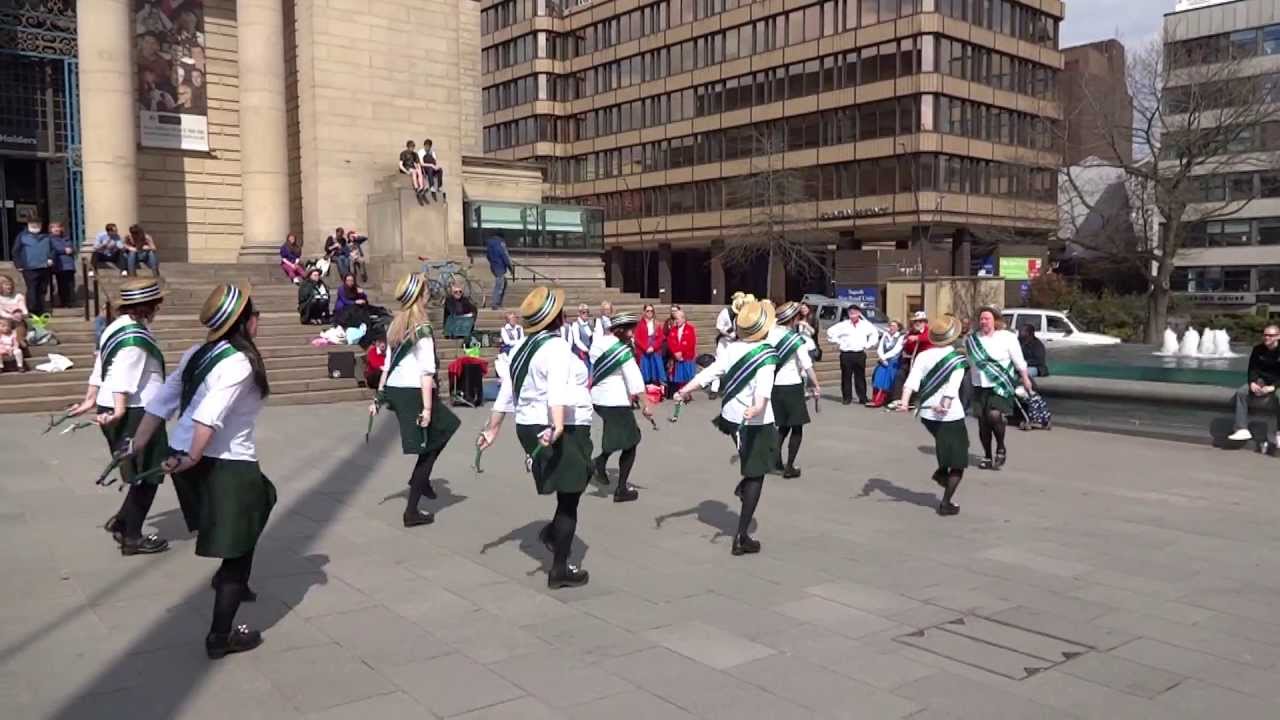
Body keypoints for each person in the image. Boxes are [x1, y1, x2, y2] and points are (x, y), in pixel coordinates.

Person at [129, 283, 276, 659]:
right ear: (244, 322)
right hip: (221, 462)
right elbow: (210, 414)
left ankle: (232, 581)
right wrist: (192, 457)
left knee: (265, 497)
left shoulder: (198, 352)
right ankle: (220, 636)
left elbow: (160, 402)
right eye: (254, 313)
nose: (258, 318)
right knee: (237, 549)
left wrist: (138, 444)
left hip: (192, 457)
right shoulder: (239, 361)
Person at [477, 286, 593, 589]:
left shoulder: (521, 348)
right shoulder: (555, 348)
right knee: (570, 496)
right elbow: (555, 389)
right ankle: (559, 570)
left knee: (571, 487)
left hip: (527, 425)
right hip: (553, 426)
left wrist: (493, 427)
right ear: (559, 319)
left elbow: (506, 391)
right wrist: (556, 426)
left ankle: (553, 533)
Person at [675, 299, 778, 557]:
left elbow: (711, 372)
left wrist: (684, 389)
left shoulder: (731, 349)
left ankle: (744, 487)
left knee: (751, 462)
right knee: (757, 473)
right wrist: (756, 408)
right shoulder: (766, 354)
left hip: (731, 417)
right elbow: (763, 391)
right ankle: (741, 536)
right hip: (754, 420)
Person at [82, 278, 171, 555]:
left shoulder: (115, 327)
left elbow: (101, 364)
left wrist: (90, 397)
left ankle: (123, 522)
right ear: (150, 306)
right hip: (137, 412)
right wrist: (119, 410)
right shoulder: (134, 338)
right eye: (157, 304)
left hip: (121, 407)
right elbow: (122, 376)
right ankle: (131, 536)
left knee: (137, 470)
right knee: (149, 472)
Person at [371, 273, 461, 527]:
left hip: (397, 390)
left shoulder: (396, 324)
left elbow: (387, 365)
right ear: (420, 297)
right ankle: (413, 505)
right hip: (414, 391)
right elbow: (426, 371)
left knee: (438, 436)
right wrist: (428, 409)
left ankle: (421, 482)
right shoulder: (421, 328)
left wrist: (379, 395)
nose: (429, 294)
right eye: (426, 291)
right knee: (435, 439)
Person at [899, 315, 970, 516]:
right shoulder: (957, 358)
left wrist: (904, 401)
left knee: (945, 444)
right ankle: (946, 502)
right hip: (949, 414)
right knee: (959, 459)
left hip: (927, 414)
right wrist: (945, 403)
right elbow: (954, 385)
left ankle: (941, 472)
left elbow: (912, 380)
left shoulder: (923, 356)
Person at [589, 312, 655, 502]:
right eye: (629, 331)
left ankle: (599, 463)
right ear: (620, 331)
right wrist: (646, 404)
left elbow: (594, 360)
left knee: (619, 436)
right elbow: (634, 378)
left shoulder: (598, 342)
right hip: (615, 400)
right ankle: (621, 489)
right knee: (631, 441)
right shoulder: (623, 351)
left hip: (598, 399)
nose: (632, 334)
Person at [966, 306, 1034, 470]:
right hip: (979, 385)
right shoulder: (972, 340)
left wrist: (1025, 378)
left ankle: (1001, 447)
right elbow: (969, 363)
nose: (983, 322)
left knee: (994, 416)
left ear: (995, 320)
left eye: (987, 318)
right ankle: (988, 456)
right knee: (983, 423)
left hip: (1000, 385)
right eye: (981, 319)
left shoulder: (1007, 337)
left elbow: (1018, 359)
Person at [767, 302, 820, 478]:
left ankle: (775, 462)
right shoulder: (795, 339)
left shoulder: (769, 335)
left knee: (782, 425)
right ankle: (789, 467)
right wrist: (815, 384)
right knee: (796, 427)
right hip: (792, 385)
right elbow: (807, 364)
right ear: (794, 318)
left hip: (775, 385)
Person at [1228, 325, 1280, 443]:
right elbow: (1253, 369)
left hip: (1277, 382)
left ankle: (1279, 432)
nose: (1267, 338)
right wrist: (1252, 382)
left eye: (1271, 335)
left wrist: (1273, 387)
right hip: (1262, 380)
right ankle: (1242, 429)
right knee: (1242, 392)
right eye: (1265, 335)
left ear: (1278, 336)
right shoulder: (1258, 349)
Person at [826, 305, 880, 405]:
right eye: (850, 312)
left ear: (859, 313)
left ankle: (862, 397)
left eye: (855, 312)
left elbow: (874, 334)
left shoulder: (866, 325)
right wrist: (838, 342)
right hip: (846, 354)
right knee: (846, 376)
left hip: (859, 353)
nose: (852, 314)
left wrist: (868, 345)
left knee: (860, 376)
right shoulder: (843, 324)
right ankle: (847, 398)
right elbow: (830, 332)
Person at [888, 312, 930, 410]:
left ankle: (916, 400)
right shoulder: (911, 332)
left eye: (920, 321)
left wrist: (917, 338)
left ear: (924, 322)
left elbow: (929, 338)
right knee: (900, 374)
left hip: (925, 361)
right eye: (915, 321)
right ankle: (897, 399)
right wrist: (907, 342)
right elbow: (908, 346)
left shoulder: (929, 331)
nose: (917, 323)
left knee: (920, 379)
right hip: (911, 359)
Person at [12, 220, 52, 316]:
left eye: (38, 223)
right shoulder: (22, 236)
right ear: (28, 224)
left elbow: (53, 249)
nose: (36, 225)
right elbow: (15, 251)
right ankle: (32, 309)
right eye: (33, 223)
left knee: (42, 289)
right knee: (32, 288)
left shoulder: (46, 237)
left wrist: (51, 258)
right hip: (29, 267)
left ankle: (41, 309)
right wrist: (19, 264)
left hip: (44, 266)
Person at [869, 320, 903, 408]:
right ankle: (876, 399)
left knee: (889, 378)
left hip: (894, 361)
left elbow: (896, 350)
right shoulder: (885, 335)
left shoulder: (901, 337)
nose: (892, 328)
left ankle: (887, 398)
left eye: (894, 326)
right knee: (878, 376)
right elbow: (880, 348)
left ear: (898, 327)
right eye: (891, 326)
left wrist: (884, 358)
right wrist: (881, 358)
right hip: (883, 360)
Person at [666, 306, 698, 399]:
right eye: (675, 319)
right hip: (677, 357)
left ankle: (687, 393)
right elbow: (671, 341)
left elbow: (691, 342)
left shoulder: (690, 328)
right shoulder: (673, 329)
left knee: (687, 376)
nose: (677, 321)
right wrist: (676, 352)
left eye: (678, 319)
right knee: (679, 377)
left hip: (687, 356)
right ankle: (681, 392)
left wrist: (681, 353)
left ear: (683, 318)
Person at [635, 304, 667, 387]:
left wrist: (653, 347)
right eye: (647, 311)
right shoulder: (639, 324)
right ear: (644, 312)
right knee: (645, 371)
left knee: (656, 370)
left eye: (651, 311)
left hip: (655, 349)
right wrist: (645, 348)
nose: (649, 312)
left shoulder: (657, 323)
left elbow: (661, 338)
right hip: (643, 351)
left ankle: (658, 391)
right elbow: (637, 338)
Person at [48, 222, 77, 309]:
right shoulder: (49, 239)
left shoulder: (66, 238)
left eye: (58, 227)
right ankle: (64, 302)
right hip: (59, 264)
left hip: (69, 265)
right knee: (62, 284)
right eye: (54, 228)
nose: (56, 229)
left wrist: (71, 250)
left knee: (70, 284)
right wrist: (64, 250)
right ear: (50, 230)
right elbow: (52, 250)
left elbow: (73, 248)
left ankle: (70, 302)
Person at [485, 233, 514, 309]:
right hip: (500, 266)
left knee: (504, 283)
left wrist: (492, 262)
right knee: (499, 285)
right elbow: (504, 255)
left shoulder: (490, 244)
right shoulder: (501, 243)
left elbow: (487, 256)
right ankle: (495, 303)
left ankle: (499, 302)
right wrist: (510, 268)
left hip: (494, 266)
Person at [0, 274, 29, 349]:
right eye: (6, 285)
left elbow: (24, 309)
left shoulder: (18, 296)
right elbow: (1, 312)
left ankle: (19, 340)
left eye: (10, 284)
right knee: (4, 323)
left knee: (19, 322)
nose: (9, 286)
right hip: (4, 319)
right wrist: (11, 316)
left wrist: (21, 314)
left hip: (18, 320)